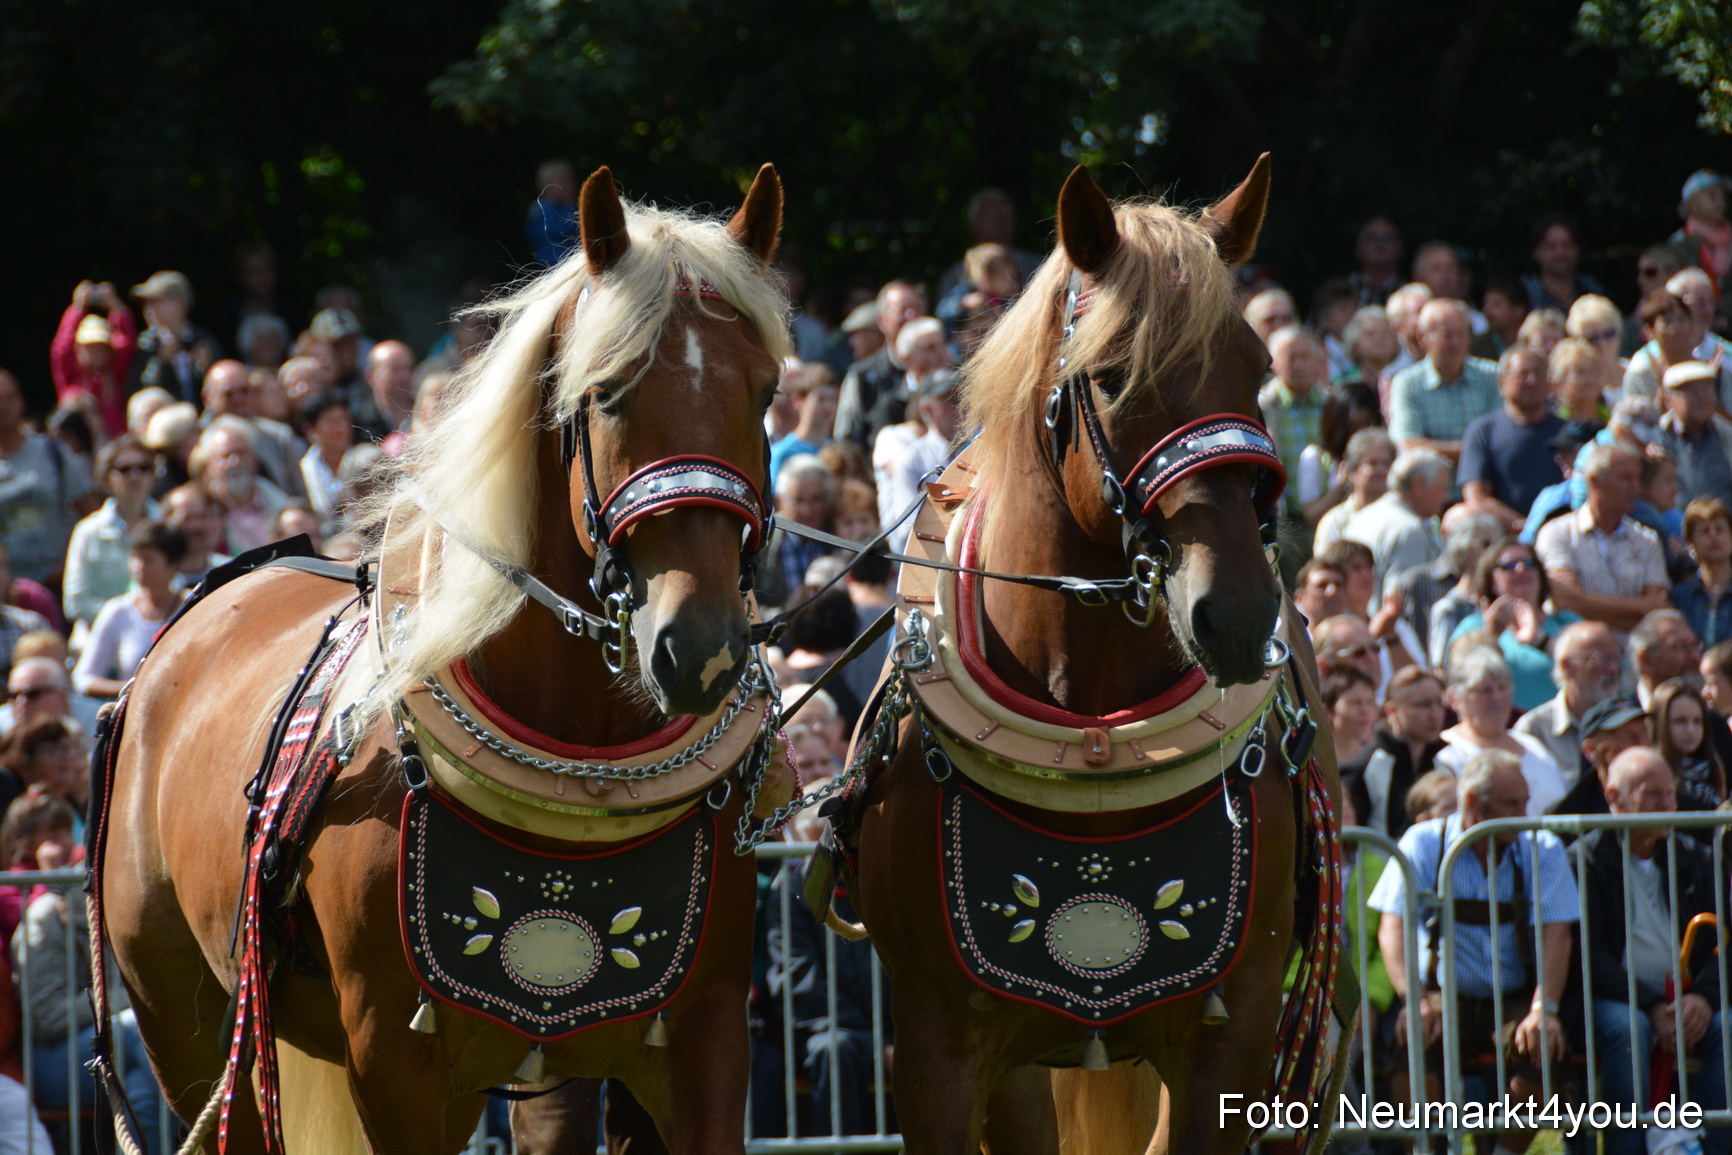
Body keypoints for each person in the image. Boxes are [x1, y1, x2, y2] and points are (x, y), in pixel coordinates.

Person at [1370, 750, 1577, 1155]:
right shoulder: (1425, 842)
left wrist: (1544, 1009)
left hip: (1515, 998)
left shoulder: (1542, 846)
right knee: (1412, 1042)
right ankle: (1427, 1150)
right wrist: (1414, 1000)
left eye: (1525, 802)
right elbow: (1392, 926)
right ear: (1472, 804)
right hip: (1442, 995)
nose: (1523, 815)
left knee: (1544, 1048)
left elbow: (1558, 934)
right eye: (1511, 805)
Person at [1574, 746, 1729, 1154]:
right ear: (1614, 797)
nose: (1668, 805)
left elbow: (1723, 942)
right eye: (1654, 794)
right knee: (1629, 1029)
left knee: (1727, 1026)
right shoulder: (1584, 861)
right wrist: (1650, 1006)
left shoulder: (1697, 857)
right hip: (1615, 1001)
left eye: (1670, 793)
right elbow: (1588, 957)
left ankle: (1714, 1146)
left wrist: (1703, 998)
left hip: (1688, 996)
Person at [1535, 443, 1669, 633]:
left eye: (1637, 478)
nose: (1635, 487)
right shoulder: (1558, 534)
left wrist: (1588, 607)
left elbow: (1656, 609)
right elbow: (1565, 601)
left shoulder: (1647, 540)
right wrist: (1638, 607)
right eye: (1625, 478)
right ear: (1595, 482)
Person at [1448, 538, 1581, 711]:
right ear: (1491, 580)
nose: (1521, 569)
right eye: (1509, 566)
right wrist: (1491, 634)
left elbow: (1595, 660)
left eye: (1529, 564)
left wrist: (1540, 640)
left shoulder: (1567, 622)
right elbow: (1458, 676)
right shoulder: (1473, 627)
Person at [1435, 647, 1568, 815]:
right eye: (1485, 690)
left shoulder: (1532, 745)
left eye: (1502, 687)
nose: (1496, 697)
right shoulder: (1448, 752)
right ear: (1454, 698)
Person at [0, 368, 98, 592]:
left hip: (56, 584)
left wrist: (71, 565)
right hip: (5, 592)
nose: (4, 406)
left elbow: (91, 512)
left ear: (22, 402)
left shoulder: (52, 452)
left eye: (10, 397)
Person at [73, 523, 186, 699]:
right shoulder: (117, 611)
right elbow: (84, 678)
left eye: (148, 560)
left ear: (171, 565)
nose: (138, 566)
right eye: (135, 557)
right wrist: (132, 689)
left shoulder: (193, 607)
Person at [1458, 346, 1565, 530]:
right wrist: (1524, 527)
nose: (1532, 381)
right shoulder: (1483, 432)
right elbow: (1477, 498)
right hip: (1505, 537)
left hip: (1562, 534)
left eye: (1539, 373)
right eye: (1523, 374)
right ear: (1502, 383)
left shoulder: (1567, 432)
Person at [62, 435, 160, 630]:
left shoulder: (169, 526)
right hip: (99, 641)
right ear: (106, 479)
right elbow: (76, 603)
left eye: (143, 468)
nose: (135, 476)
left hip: (161, 637)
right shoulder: (87, 531)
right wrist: (130, 621)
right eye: (124, 469)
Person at [1388, 299, 1500, 466]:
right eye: (1446, 335)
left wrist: (1433, 448)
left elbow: (1501, 440)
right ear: (1422, 337)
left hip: (1486, 478)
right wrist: (1476, 449)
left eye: (1461, 333)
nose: (1455, 342)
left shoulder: (1492, 375)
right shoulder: (1408, 383)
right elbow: (1408, 445)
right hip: (1431, 481)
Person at [1340, 666, 1446, 838]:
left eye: (1439, 703)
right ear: (1392, 711)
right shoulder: (1363, 769)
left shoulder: (1445, 762)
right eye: (1423, 705)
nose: (1435, 715)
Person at [1513, 620, 1623, 786]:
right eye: (1603, 659)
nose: (1614, 669)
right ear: (1567, 667)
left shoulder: (1629, 724)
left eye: (1618, 659)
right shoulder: (1535, 729)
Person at [1343, 447, 1450, 602]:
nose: (1446, 497)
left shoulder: (1362, 516)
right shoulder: (1409, 531)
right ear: (1419, 484)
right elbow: (1401, 600)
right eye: (1442, 489)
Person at [1408, 509, 1504, 669]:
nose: (1496, 552)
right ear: (1462, 548)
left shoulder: (1503, 603)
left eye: (1499, 544)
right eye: (1486, 544)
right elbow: (1441, 667)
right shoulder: (1449, 609)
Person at [835, 281, 927, 447]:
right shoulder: (862, 376)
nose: (911, 316)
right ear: (882, 321)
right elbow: (846, 440)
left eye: (917, 308)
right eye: (902, 310)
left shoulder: (946, 370)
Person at [201, 358, 307, 498]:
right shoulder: (197, 440)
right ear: (208, 398)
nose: (238, 399)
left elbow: (301, 492)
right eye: (228, 394)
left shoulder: (279, 436)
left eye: (244, 391)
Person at [191, 417, 294, 555]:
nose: (235, 461)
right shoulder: (203, 513)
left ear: (254, 458)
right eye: (225, 456)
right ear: (209, 466)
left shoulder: (281, 505)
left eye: (241, 453)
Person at [1257, 325, 1329, 518]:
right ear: (1274, 363)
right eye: (1291, 357)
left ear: (1317, 361)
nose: (1298, 365)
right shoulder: (1262, 407)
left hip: (1326, 514)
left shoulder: (1331, 404)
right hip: (1280, 518)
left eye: (1304, 357)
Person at [51, 281, 137, 438]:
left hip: (113, 444)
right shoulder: (70, 378)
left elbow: (126, 343)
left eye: (101, 347)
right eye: (89, 347)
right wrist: (77, 308)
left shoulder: (114, 375)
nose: (96, 352)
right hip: (78, 446)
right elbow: (60, 350)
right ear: (77, 348)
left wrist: (117, 307)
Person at [1625, 282, 1732, 406]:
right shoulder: (1642, 371)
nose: (1676, 328)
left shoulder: (1713, 368)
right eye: (1667, 322)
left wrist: (1710, 387)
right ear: (1650, 332)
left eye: (1681, 320)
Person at [1551, 695, 1650, 817]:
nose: (1642, 743)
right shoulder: (1567, 817)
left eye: (1644, 733)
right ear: (1590, 749)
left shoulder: (1670, 802)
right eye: (1630, 736)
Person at [1659, 360, 1732, 509]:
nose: (1702, 397)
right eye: (1691, 391)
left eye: (1707, 389)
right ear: (1669, 400)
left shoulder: (1727, 435)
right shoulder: (1659, 436)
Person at [1315, 428, 1395, 554]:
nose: (1381, 470)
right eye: (1372, 463)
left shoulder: (1402, 516)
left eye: (1387, 464)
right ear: (1352, 472)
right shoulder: (1335, 522)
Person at [1650, 678, 1727, 810]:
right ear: (1660, 724)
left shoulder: (1715, 770)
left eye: (1697, 721)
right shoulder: (1651, 775)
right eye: (1680, 721)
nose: (1690, 730)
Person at [1673, 495, 1732, 646]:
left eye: (1720, 529)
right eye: (1704, 531)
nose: (1713, 535)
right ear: (1691, 544)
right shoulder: (1680, 597)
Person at [769, 363, 838, 484]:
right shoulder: (782, 453)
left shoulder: (836, 452)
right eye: (820, 399)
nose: (828, 407)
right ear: (798, 401)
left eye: (832, 399)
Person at [1523, 216, 1606, 312]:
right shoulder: (1524, 294)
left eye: (1567, 245)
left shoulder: (1593, 290)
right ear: (1536, 252)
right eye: (1551, 246)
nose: (1560, 252)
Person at [296, 391, 353, 531]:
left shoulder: (360, 460)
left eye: (343, 420)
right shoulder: (304, 469)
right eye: (332, 423)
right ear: (311, 430)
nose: (340, 429)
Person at [1631, 608, 1703, 709]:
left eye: (1695, 646)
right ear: (1646, 661)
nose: (1695, 657)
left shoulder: (1713, 716)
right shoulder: (1622, 715)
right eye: (1680, 646)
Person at [1674, 169, 1732, 294]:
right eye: (1712, 195)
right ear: (1693, 204)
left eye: (1722, 195)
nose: (1721, 201)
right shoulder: (1679, 242)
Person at [354, 339, 416, 443]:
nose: (403, 376)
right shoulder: (358, 422)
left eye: (407, 369)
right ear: (370, 376)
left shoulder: (425, 414)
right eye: (394, 370)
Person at [525, 158, 578, 267]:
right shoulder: (542, 208)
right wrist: (570, 205)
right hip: (551, 265)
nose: (571, 184)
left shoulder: (566, 207)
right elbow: (560, 230)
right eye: (564, 180)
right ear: (548, 184)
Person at [1324, 665, 1381, 766]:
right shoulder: (1320, 761)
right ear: (1328, 711)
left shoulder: (1372, 761)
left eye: (1370, 702)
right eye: (1354, 702)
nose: (1365, 710)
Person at [1335, 305, 1401, 387]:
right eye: (1370, 333)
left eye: (1385, 332)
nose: (1380, 338)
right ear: (1355, 342)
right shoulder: (1344, 385)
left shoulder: (1404, 381)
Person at [1348, 217, 1403, 305]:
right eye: (1371, 238)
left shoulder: (1408, 293)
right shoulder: (1344, 290)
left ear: (1399, 249)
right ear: (1358, 249)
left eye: (1388, 238)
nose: (1379, 244)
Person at [1472, 277, 1530, 360]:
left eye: (1496, 305)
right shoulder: (1477, 346)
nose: (1487, 311)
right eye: (1485, 304)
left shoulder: (1533, 342)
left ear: (1519, 310)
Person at [1293, 557, 1350, 626]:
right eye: (1322, 585)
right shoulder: (1288, 632)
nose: (1332, 591)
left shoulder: (1360, 630)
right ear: (1300, 598)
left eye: (1338, 585)